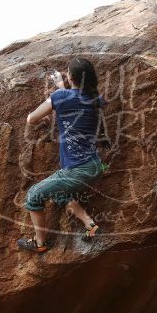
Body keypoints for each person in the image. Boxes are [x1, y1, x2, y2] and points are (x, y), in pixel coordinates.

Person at [18, 56, 108, 253]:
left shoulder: (61, 97)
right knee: (59, 192)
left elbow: (31, 119)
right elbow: (75, 97)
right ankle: (90, 224)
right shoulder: (96, 99)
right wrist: (62, 86)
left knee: (33, 195)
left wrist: (59, 89)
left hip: (76, 171)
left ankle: (39, 243)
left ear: (70, 76)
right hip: (95, 166)